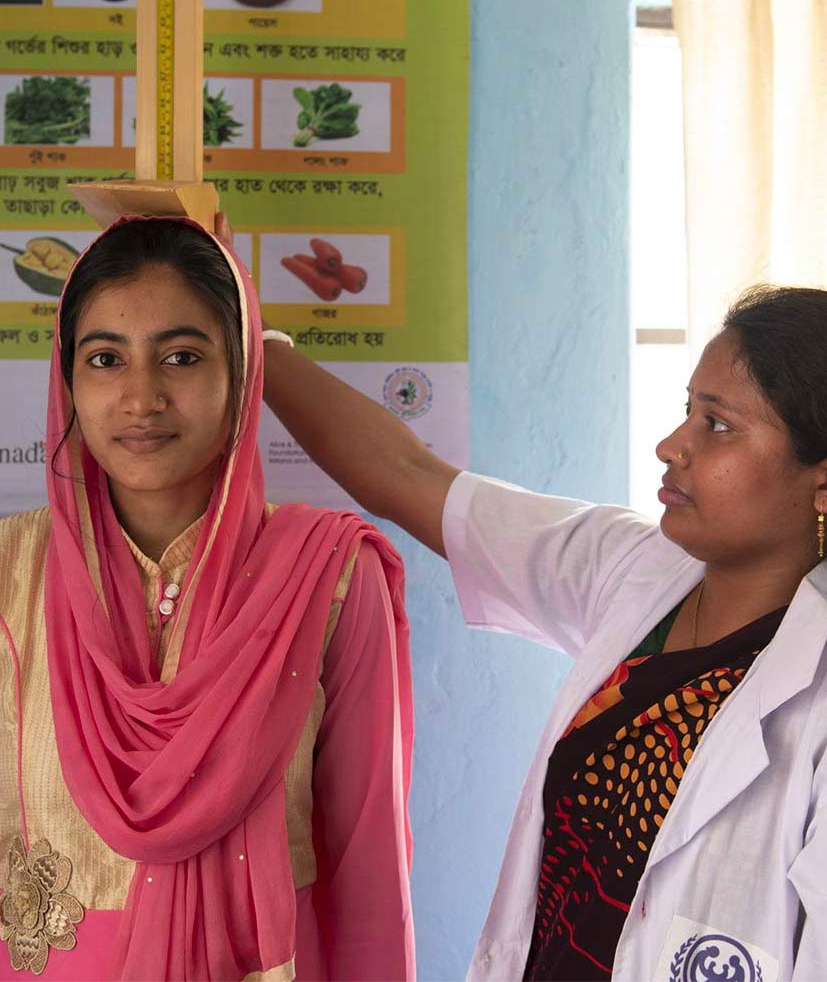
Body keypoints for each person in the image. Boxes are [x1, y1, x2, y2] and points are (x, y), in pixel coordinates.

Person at [257, 255, 827, 981]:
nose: (671, 445)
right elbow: (408, 477)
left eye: (716, 425)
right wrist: (258, 343)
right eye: (687, 410)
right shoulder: (635, 571)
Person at [0, 215, 415, 982]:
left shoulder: (327, 577)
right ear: (66, 378)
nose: (142, 397)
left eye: (181, 356)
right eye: (105, 359)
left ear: (241, 373)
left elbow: (369, 865)